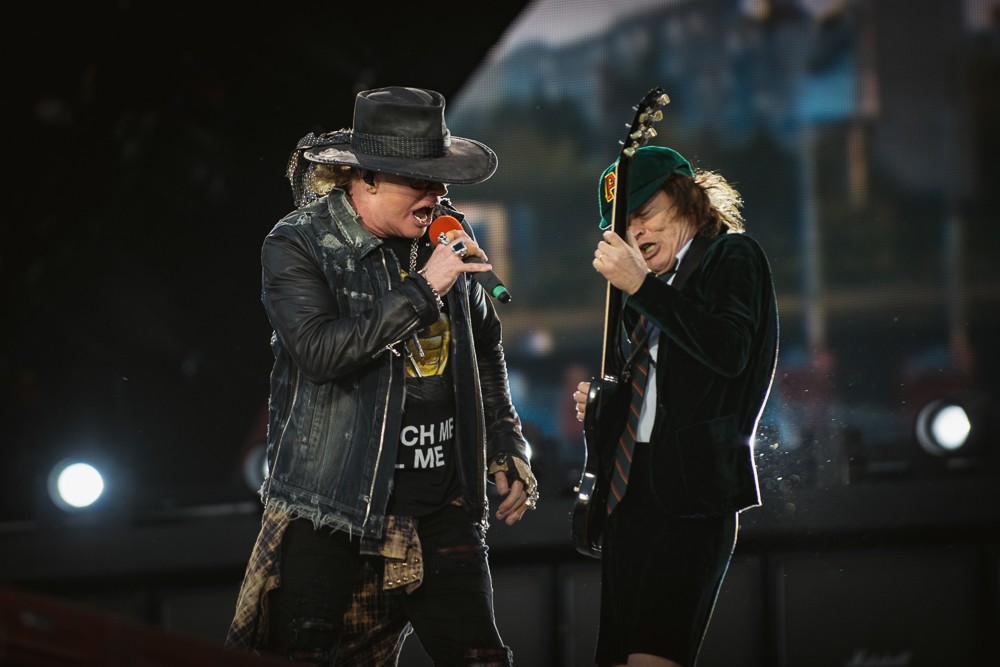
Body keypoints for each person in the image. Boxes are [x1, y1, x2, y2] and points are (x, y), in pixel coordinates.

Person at [226, 86, 538, 666]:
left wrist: (505, 442)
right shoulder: (301, 243)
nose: (437, 195)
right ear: (366, 179)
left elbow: (484, 348)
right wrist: (424, 290)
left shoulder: (445, 237)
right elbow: (320, 352)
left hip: (441, 508)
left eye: (440, 181)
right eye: (420, 181)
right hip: (334, 507)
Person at [572, 145, 778, 667]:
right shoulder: (650, 291)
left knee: (655, 655)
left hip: (693, 492)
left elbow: (728, 351)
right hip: (630, 491)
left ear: (686, 198)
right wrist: (604, 405)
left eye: (644, 212)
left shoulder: (732, 256)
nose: (634, 231)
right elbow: (662, 392)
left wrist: (641, 287)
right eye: (623, 224)